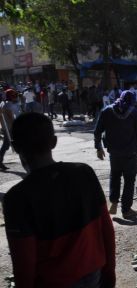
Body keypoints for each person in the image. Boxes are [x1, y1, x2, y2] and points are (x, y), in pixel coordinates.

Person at [3, 113, 116, 287]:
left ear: (15, 147)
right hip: (94, 275)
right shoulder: (84, 173)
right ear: (54, 142)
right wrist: (109, 274)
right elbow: (106, 229)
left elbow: (23, 263)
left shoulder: (16, 199)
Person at [94, 91, 137, 219]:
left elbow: (97, 131)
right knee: (129, 180)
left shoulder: (107, 111)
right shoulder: (134, 113)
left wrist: (98, 148)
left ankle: (113, 202)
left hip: (114, 152)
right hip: (130, 152)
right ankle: (126, 210)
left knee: (115, 176)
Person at [0, 89, 20, 171]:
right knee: (6, 145)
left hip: (6, 127)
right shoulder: (8, 104)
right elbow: (11, 117)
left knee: (6, 145)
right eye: (13, 95)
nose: (15, 96)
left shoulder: (3, 103)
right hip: (10, 127)